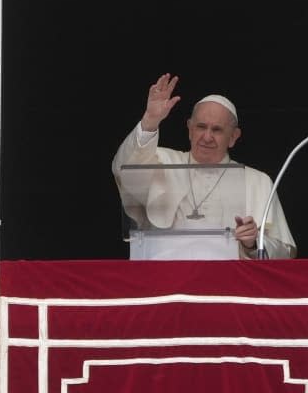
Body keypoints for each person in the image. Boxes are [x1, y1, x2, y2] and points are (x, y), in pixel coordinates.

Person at [113, 74, 295, 259]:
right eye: (201, 127)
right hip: (166, 283)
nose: (207, 137)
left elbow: (285, 254)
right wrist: (150, 121)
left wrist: (253, 242)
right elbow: (123, 169)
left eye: (217, 130)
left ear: (233, 137)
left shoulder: (257, 181)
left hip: (226, 285)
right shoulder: (162, 161)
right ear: (190, 129)